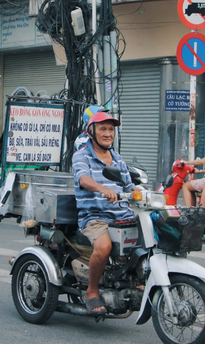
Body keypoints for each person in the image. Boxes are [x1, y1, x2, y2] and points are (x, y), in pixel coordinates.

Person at [72, 112, 136, 315]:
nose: (108, 133)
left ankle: (136, 280)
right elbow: (83, 179)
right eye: (103, 129)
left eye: (111, 129)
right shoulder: (82, 155)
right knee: (104, 246)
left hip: (122, 215)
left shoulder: (117, 159)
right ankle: (92, 291)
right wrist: (102, 189)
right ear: (91, 131)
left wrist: (142, 193)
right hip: (95, 216)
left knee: (148, 239)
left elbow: (129, 186)